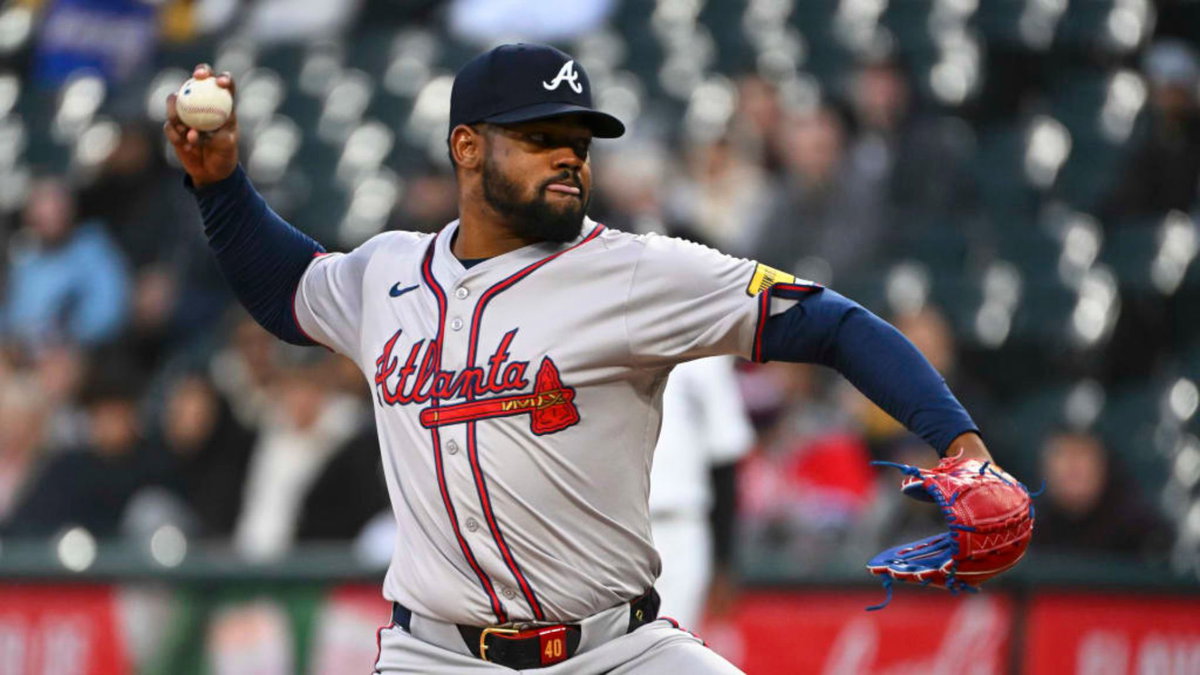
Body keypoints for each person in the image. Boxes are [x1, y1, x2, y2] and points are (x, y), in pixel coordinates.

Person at [164, 44, 999, 673]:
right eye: (541, 137)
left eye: (581, 139)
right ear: (467, 147)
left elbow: (834, 324)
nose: (571, 155)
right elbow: (288, 290)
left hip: (618, 651)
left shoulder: (638, 271)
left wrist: (961, 447)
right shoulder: (386, 272)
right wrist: (221, 185)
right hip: (438, 658)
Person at [648, 356, 753, 630]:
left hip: (682, 525)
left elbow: (724, 462)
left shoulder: (706, 355)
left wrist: (724, 561)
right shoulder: (605, 337)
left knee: (675, 647)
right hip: (612, 526)